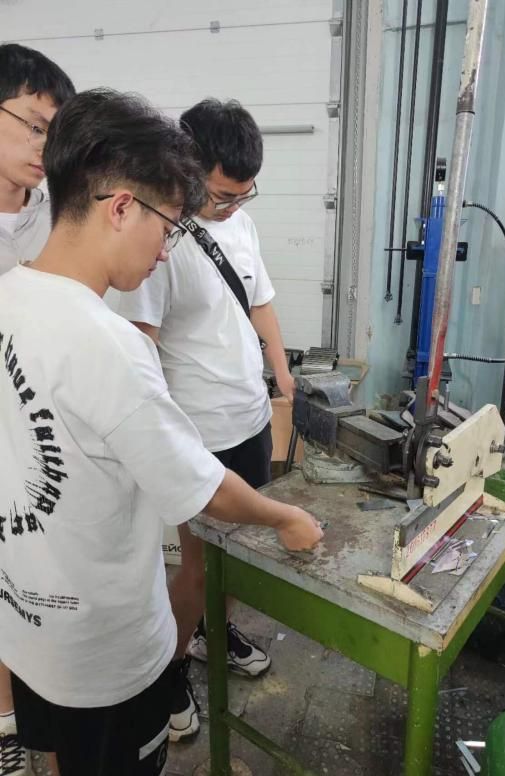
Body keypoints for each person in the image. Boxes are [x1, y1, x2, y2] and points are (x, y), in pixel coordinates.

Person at [0, 87, 323, 776]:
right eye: (170, 226)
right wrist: (287, 516)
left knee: (61, 759)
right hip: (108, 658)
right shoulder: (111, 345)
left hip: (28, 632)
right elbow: (203, 489)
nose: (167, 249)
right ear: (121, 207)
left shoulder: (8, 296)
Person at [118, 98, 296, 740]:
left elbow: (261, 301)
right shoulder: (160, 239)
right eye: (222, 195)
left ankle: (210, 635)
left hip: (249, 419)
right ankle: (167, 672)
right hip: (200, 436)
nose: (232, 207)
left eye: (244, 195)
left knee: (237, 557)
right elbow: (140, 345)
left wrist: (283, 375)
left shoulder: (240, 226)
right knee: (196, 566)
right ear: (187, 169)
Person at [0, 42, 75, 776]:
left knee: (39, 587)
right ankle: (5, 725)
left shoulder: (57, 212)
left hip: (46, 439)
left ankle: (46, 725)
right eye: (32, 125)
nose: (43, 148)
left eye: (55, 133)